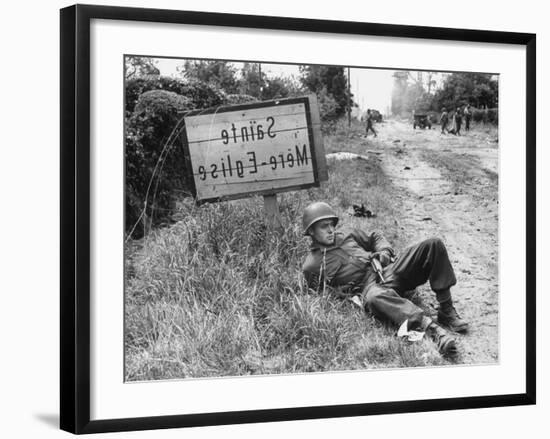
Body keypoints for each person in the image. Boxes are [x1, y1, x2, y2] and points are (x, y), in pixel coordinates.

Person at [301, 202, 469, 357]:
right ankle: (433, 331)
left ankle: (446, 310)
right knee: (374, 297)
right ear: (311, 231)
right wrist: (345, 295)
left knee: (433, 244)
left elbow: (375, 236)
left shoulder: (345, 235)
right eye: (324, 227)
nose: (331, 230)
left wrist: (384, 252)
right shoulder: (312, 266)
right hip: (369, 289)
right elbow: (321, 297)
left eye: (332, 224)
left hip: (387, 271)